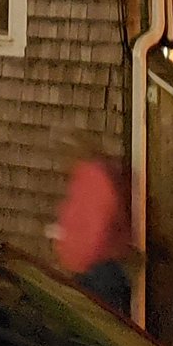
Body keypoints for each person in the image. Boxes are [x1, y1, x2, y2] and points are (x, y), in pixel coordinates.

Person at [51, 130, 135, 315]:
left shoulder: (96, 179)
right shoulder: (82, 178)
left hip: (99, 270)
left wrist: (77, 260)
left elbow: (98, 229)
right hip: (88, 269)